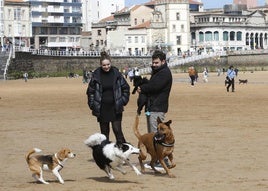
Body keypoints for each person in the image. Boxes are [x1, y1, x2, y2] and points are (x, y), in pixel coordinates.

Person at [86, 51, 130, 143]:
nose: (106, 67)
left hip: (115, 107)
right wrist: (93, 104)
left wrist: (122, 101)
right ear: (100, 65)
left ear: (111, 62)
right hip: (102, 108)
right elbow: (90, 92)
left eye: (108, 64)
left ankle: (123, 153)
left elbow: (125, 88)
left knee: (117, 131)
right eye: (104, 65)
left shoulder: (116, 73)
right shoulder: (96, 75)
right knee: (104, 134)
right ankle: (105, 155)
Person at [137, 50, 172, 133]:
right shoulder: (158, 71)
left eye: (156, 63)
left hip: (157, 108)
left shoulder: (164, 73)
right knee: (151, 134)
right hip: (152, 107)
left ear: (163, 61)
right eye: (153, 63)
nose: (154, 65)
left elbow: (154, 87)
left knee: (155, 135)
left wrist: (142, 88)